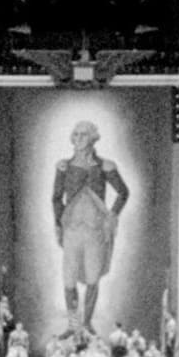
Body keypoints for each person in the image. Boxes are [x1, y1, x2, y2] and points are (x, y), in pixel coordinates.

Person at [52, 120, 129, 336]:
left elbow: (123, 192)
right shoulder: (63, 167)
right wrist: (58, 225)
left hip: (95, 231)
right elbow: (56, 198)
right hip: (72, 231)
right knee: (69, 279)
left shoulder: (105, 166)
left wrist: (112, 216)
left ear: (93, 138)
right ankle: (73, 325)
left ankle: (86, 324)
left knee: (93, 278)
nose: (77, 139)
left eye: (83, 135)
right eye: (75, 134)